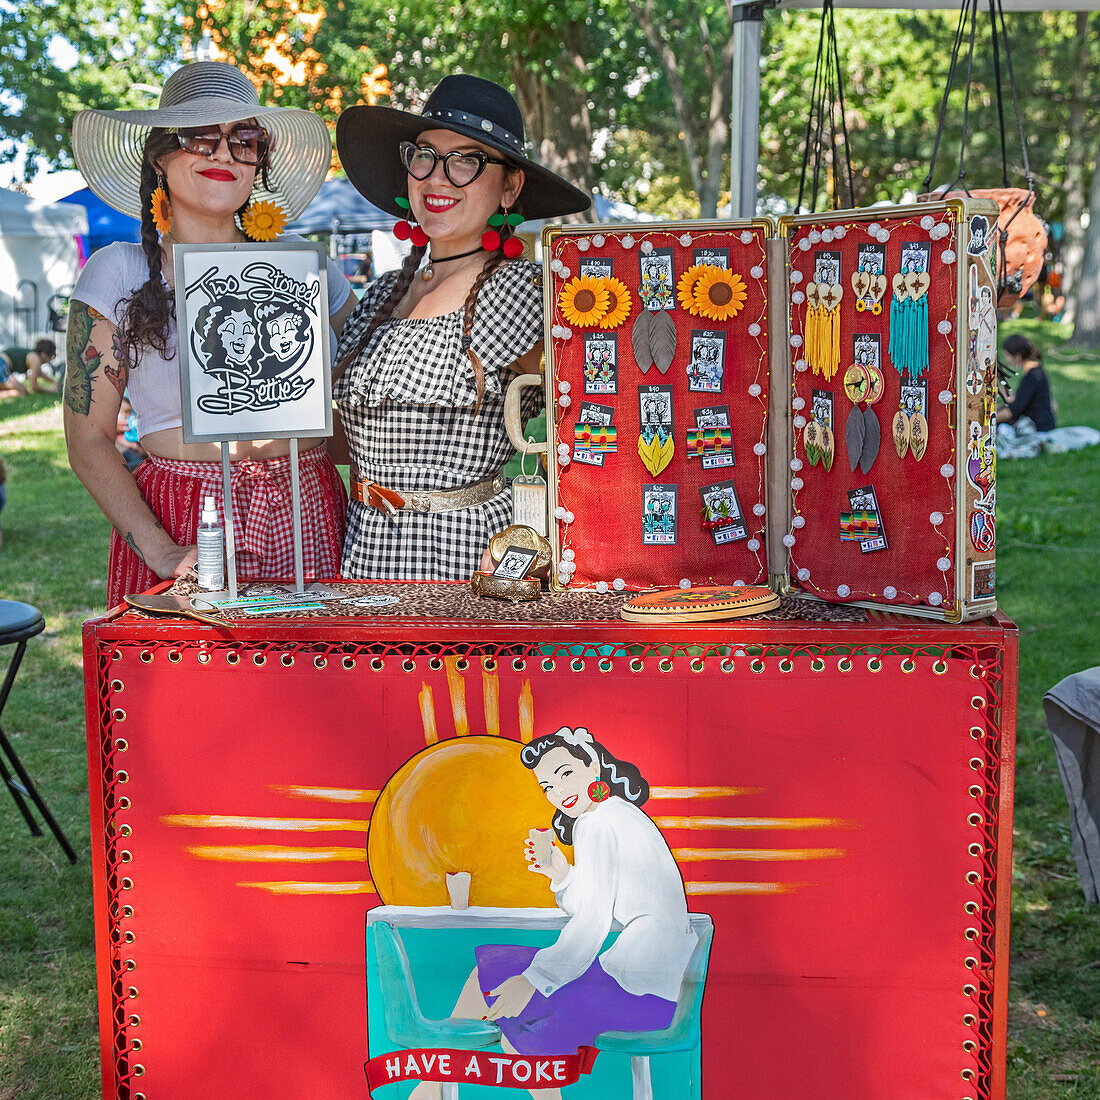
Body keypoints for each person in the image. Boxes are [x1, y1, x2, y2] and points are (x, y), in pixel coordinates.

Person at [65, 62, 357, 607]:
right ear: (159, 155)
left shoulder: (305, 266)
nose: (223, 153)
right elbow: (88, 438)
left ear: (259, 160)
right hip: (182, 516)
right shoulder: (117, 271)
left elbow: (371, 386)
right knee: (196, 689)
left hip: (309, 506)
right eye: (201, 136)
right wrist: (160, 550)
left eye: (244, 139)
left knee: (307, 686)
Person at [333, 75, 590, 579]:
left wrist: (538, 544)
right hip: (363, 555)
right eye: (425, 155)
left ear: (510, 186)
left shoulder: (518, 291)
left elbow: (590, 427)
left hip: (464, 560)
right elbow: (358, 439)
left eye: (467, 161)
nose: (438, 178)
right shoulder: (384, 294)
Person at [407, 727, 697, 1100]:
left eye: (565, 774)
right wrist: (561, 876)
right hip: (655, 989)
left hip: (638, 995)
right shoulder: (616, 814)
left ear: (591, 764)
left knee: (504, 985)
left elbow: (592, 923)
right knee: (499, 972)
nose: (559, 793)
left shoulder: (597, 824)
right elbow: (599, 904)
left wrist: (533, 979)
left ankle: (429, 1090)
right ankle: (430, 1090)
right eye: (548, 787)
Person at [997, 334, 1056, 432]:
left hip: (1039, 428)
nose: (1007, 360)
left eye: (1007, 355)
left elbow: (1012, 412)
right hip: (1041, 425)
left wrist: (987, 421)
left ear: (1018, 357)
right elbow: (1017, 401)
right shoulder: (1035, 372)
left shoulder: (1033, 376)